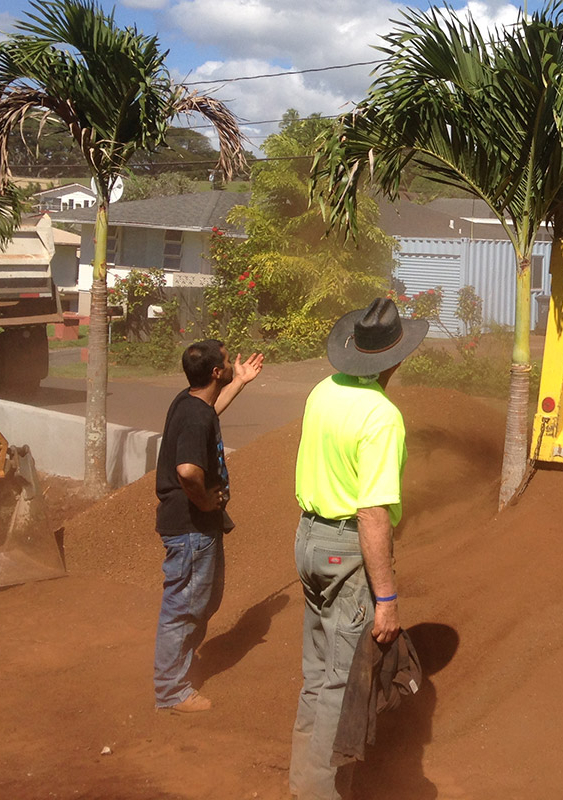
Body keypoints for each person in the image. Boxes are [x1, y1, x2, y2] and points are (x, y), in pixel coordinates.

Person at [290, 298, 428, 800]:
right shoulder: (381, 417)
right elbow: (372, 514)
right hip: (346, 549)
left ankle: (303, 785)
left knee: (316, 677)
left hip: (308, 539)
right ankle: (319, 794)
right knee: (341, 687)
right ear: (395, 359)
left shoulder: (323, 391)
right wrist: (387, 599)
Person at [153, 339, 263, 713]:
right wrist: (203, 500)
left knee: (205, 599)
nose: (233, 363)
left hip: (197, 528)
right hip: (189, 528)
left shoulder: (190, 402)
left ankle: (178, 665)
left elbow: (211, 410)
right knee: (183, 606)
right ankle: (171, 690)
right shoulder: (195, 415)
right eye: (230, 363)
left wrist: (241, 383)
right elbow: (187, 471)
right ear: (216, 372)